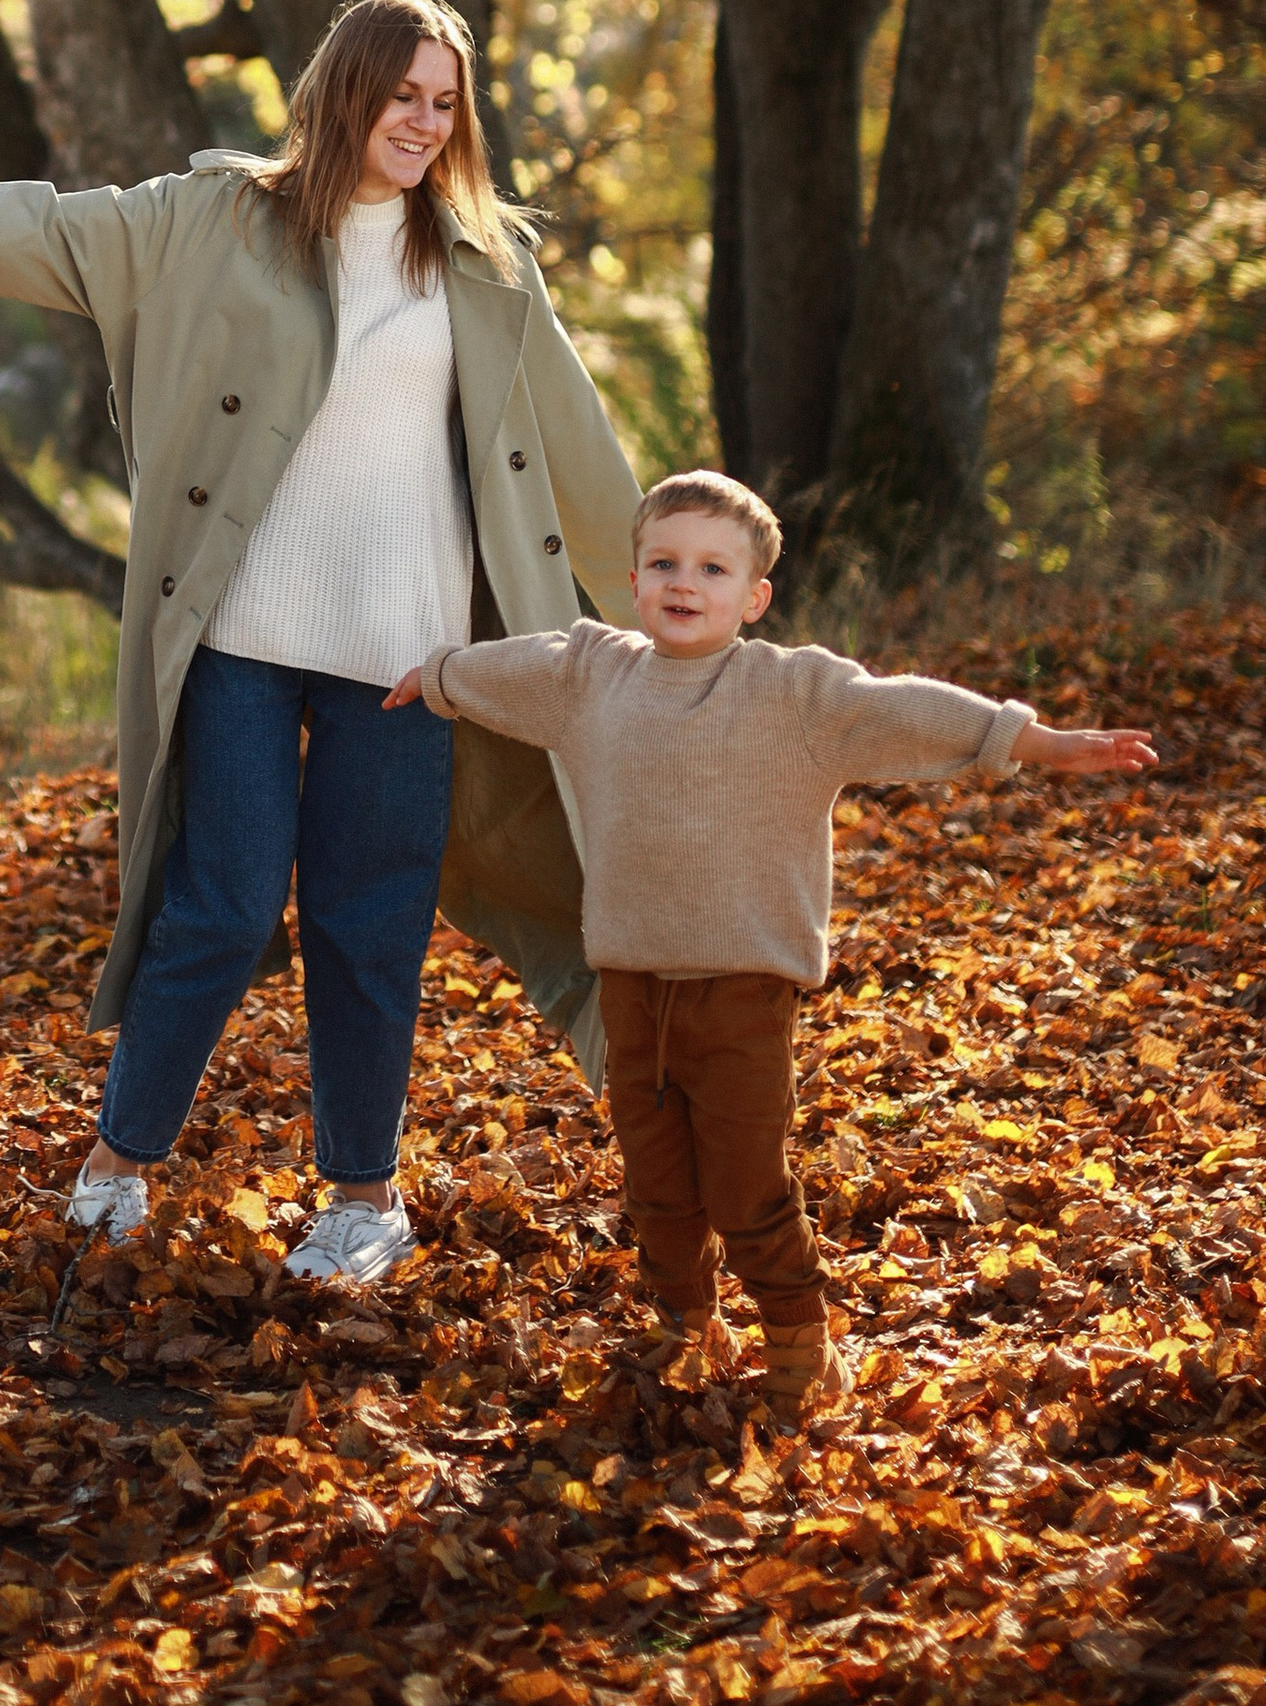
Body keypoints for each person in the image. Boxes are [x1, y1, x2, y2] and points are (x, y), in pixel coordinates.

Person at [0, 0, 645, 1289]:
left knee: (373, 926)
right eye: (402, 94)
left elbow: (584, 466)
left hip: (412, 660)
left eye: (443, 101)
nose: (422, 122)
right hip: (239, 636)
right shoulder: (210, 219)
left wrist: (687, 626)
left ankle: (363, 1201)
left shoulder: (483, 263)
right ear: (343, 92)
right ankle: (117, 1169)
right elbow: (23, 228)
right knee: (219, 905)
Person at [405, 466, 1156, 1417]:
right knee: (658, 1184)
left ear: (754, 597)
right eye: (664, 562)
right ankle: (683, 1322)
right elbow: (513, 667)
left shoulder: (795, 695)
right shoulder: (595, 676)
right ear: (633, 582)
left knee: (747, 1183)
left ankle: (800, 1338)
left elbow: (908, 708)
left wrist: (1037, 740)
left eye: (714, 569)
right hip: (633, 985)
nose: (685, 582)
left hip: (746, 993)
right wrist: (434, 678)